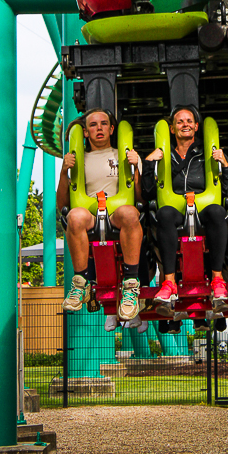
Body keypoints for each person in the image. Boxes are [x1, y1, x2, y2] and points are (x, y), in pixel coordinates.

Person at [142, 106, 228, 327]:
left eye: (189, 121)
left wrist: (226, 164)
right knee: (163, 214)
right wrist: (148, 163)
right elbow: (146, 192)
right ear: (172, 128)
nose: (185, 124)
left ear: (196, 126)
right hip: (175, 207)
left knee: (217, 211)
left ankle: (217, 279)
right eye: (180, 121)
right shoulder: (167, 154)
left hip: (203, 206)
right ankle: (169, 282)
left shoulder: (206, 153)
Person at [57, 108, 143, 320]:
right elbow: (62, 204)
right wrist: (63, 171)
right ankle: (80, 282)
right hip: (90, 214)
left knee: (131, 213)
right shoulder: (79, 159)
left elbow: (140, 197)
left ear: (111, 128)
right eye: (93, 125)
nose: (99, 129)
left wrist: (136, 168)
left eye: (103, 124)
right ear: (86, 132)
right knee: (74, 216)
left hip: (117, 213)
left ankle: (131, 284)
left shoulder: (123, 155)